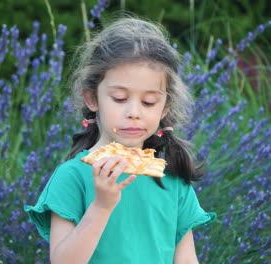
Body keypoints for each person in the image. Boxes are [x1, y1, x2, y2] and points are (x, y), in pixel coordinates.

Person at [24, 17, 216, 264]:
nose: (134, 112)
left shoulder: (173, 181)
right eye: (119, 98)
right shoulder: (72, 176)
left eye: (148, 102)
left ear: (164, 108)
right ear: (92, 99)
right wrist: (101, 206)